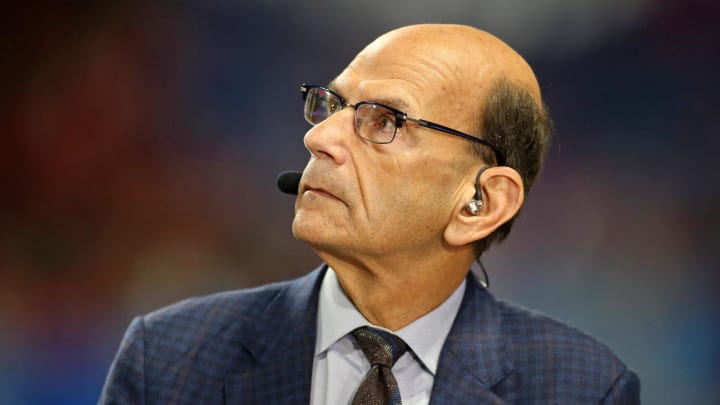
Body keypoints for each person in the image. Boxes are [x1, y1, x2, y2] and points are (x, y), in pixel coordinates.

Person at [100, 24, 640, 404]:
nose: (318, 137)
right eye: (330, 106)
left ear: (482, 202)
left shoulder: (582, 388)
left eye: (385, 120)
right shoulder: (168, 358)